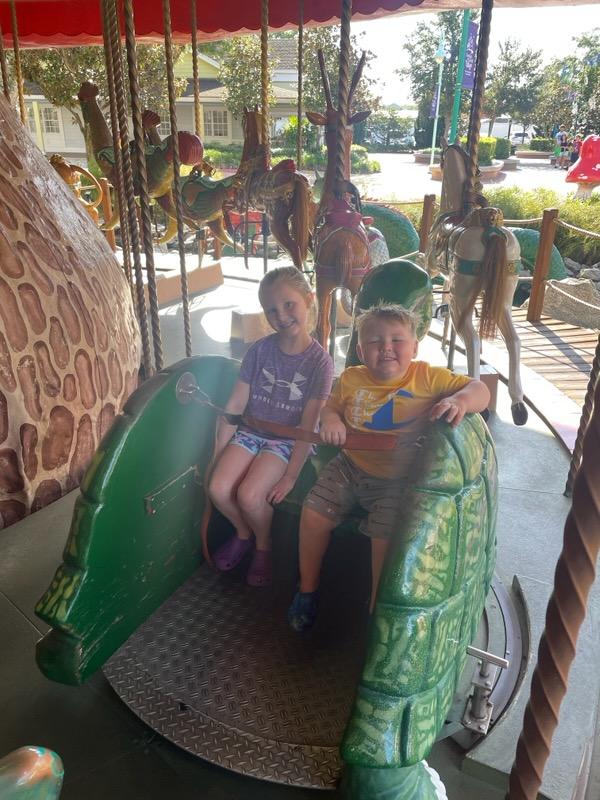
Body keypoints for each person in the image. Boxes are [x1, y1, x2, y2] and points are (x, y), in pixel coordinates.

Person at [287, 303, 490, 632]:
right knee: (313, 514)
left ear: (415, 347)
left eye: (397, 340)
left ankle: (376, 611)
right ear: (359, 350)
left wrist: (460, 401)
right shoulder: (352, 378)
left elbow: (481, 389)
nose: (386, 348)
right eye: (375, 341)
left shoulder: (426, 376)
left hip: (397, 480)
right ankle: (307, 590)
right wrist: (333, 420)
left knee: (386, 542)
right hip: (349, 467)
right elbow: (330, 407)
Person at [208, 266, 334, 587]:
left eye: (289, 305)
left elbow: (308, 424)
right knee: (218, 488)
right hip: (252, 431)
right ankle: (243, 532)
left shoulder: (319, 362)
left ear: (308, 300)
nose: (281, 316)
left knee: (251, 495)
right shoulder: (260, 350)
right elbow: (236, 405)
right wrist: (218, 451)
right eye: (272, 310)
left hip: (288, 441)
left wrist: (291, 475)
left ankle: (264, 545)